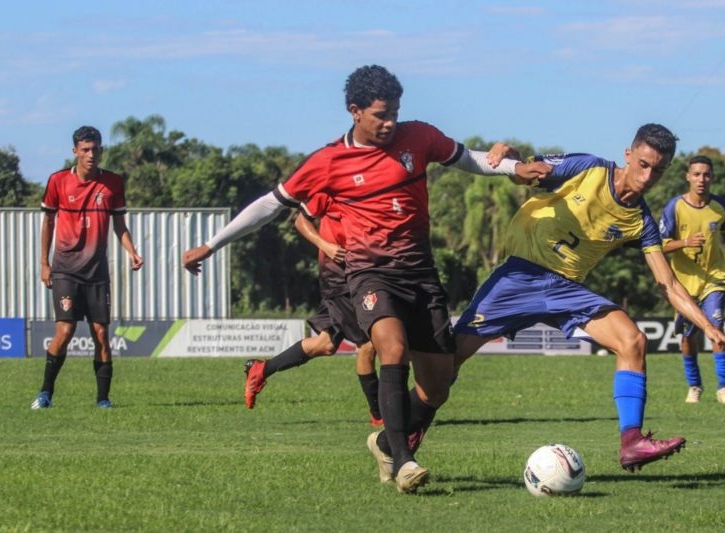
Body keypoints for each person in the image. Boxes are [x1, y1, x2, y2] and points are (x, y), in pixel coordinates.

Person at [182, 65, 542, 493]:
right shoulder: (327, 162)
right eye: (380, 115)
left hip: (420, 273)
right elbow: (269, 205)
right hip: (370, 273)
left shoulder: (419, 136)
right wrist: (212, 244)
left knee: (438, 385)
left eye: (395, 112)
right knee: (389, 346)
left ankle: (386, 442)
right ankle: (405, 462)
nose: (390, 122)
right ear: (354, 111)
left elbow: (465, 158)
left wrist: (509, 167)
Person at [452, 124, 725, 473]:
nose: (648, 175)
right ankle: (400, 435)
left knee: (633, 340)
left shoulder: (641, 219)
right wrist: (510, 156)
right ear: (628, 154)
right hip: (520, 275)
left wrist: (708, 328)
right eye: (643, 164)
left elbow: (668, 284)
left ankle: (632, 442)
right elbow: (525, 174)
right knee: (446, 364)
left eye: (658, 170)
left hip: (566, 288)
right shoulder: (588, 167)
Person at [244, 196, 383, 427]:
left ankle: (261, 369)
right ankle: (379, 416)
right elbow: (300, 221)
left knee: (325, 345)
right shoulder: (330, 191)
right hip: (338, 279)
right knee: (367, 345)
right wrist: (325, 245)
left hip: (360, 275)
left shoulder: (373, 190)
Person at [31, 126, 144, 410]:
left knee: (102, 335)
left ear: (101, 150)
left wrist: (131, 251)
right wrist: (44, 263)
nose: (91, 155)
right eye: (85, 150)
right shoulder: (57, 181)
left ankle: (103, 400)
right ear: (75, 152)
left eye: (95, 149)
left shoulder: (113, 183)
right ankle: (45, 394)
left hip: (97, 272)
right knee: (65, 331)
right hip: (65, 269)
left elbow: (119, 224)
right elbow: (48, 223)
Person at [659, 155, 725, 405]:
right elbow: (660, 246)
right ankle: (695, 385)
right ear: (688, 177)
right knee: (688, 337)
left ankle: (723, 387)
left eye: (706, 174)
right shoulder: (674, 207)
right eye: (696, 174)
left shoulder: (722, 207)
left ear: (713, 177)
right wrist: (685, 242)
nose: (702, 179)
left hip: (715, 277)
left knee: (716, 328)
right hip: (684, 283)